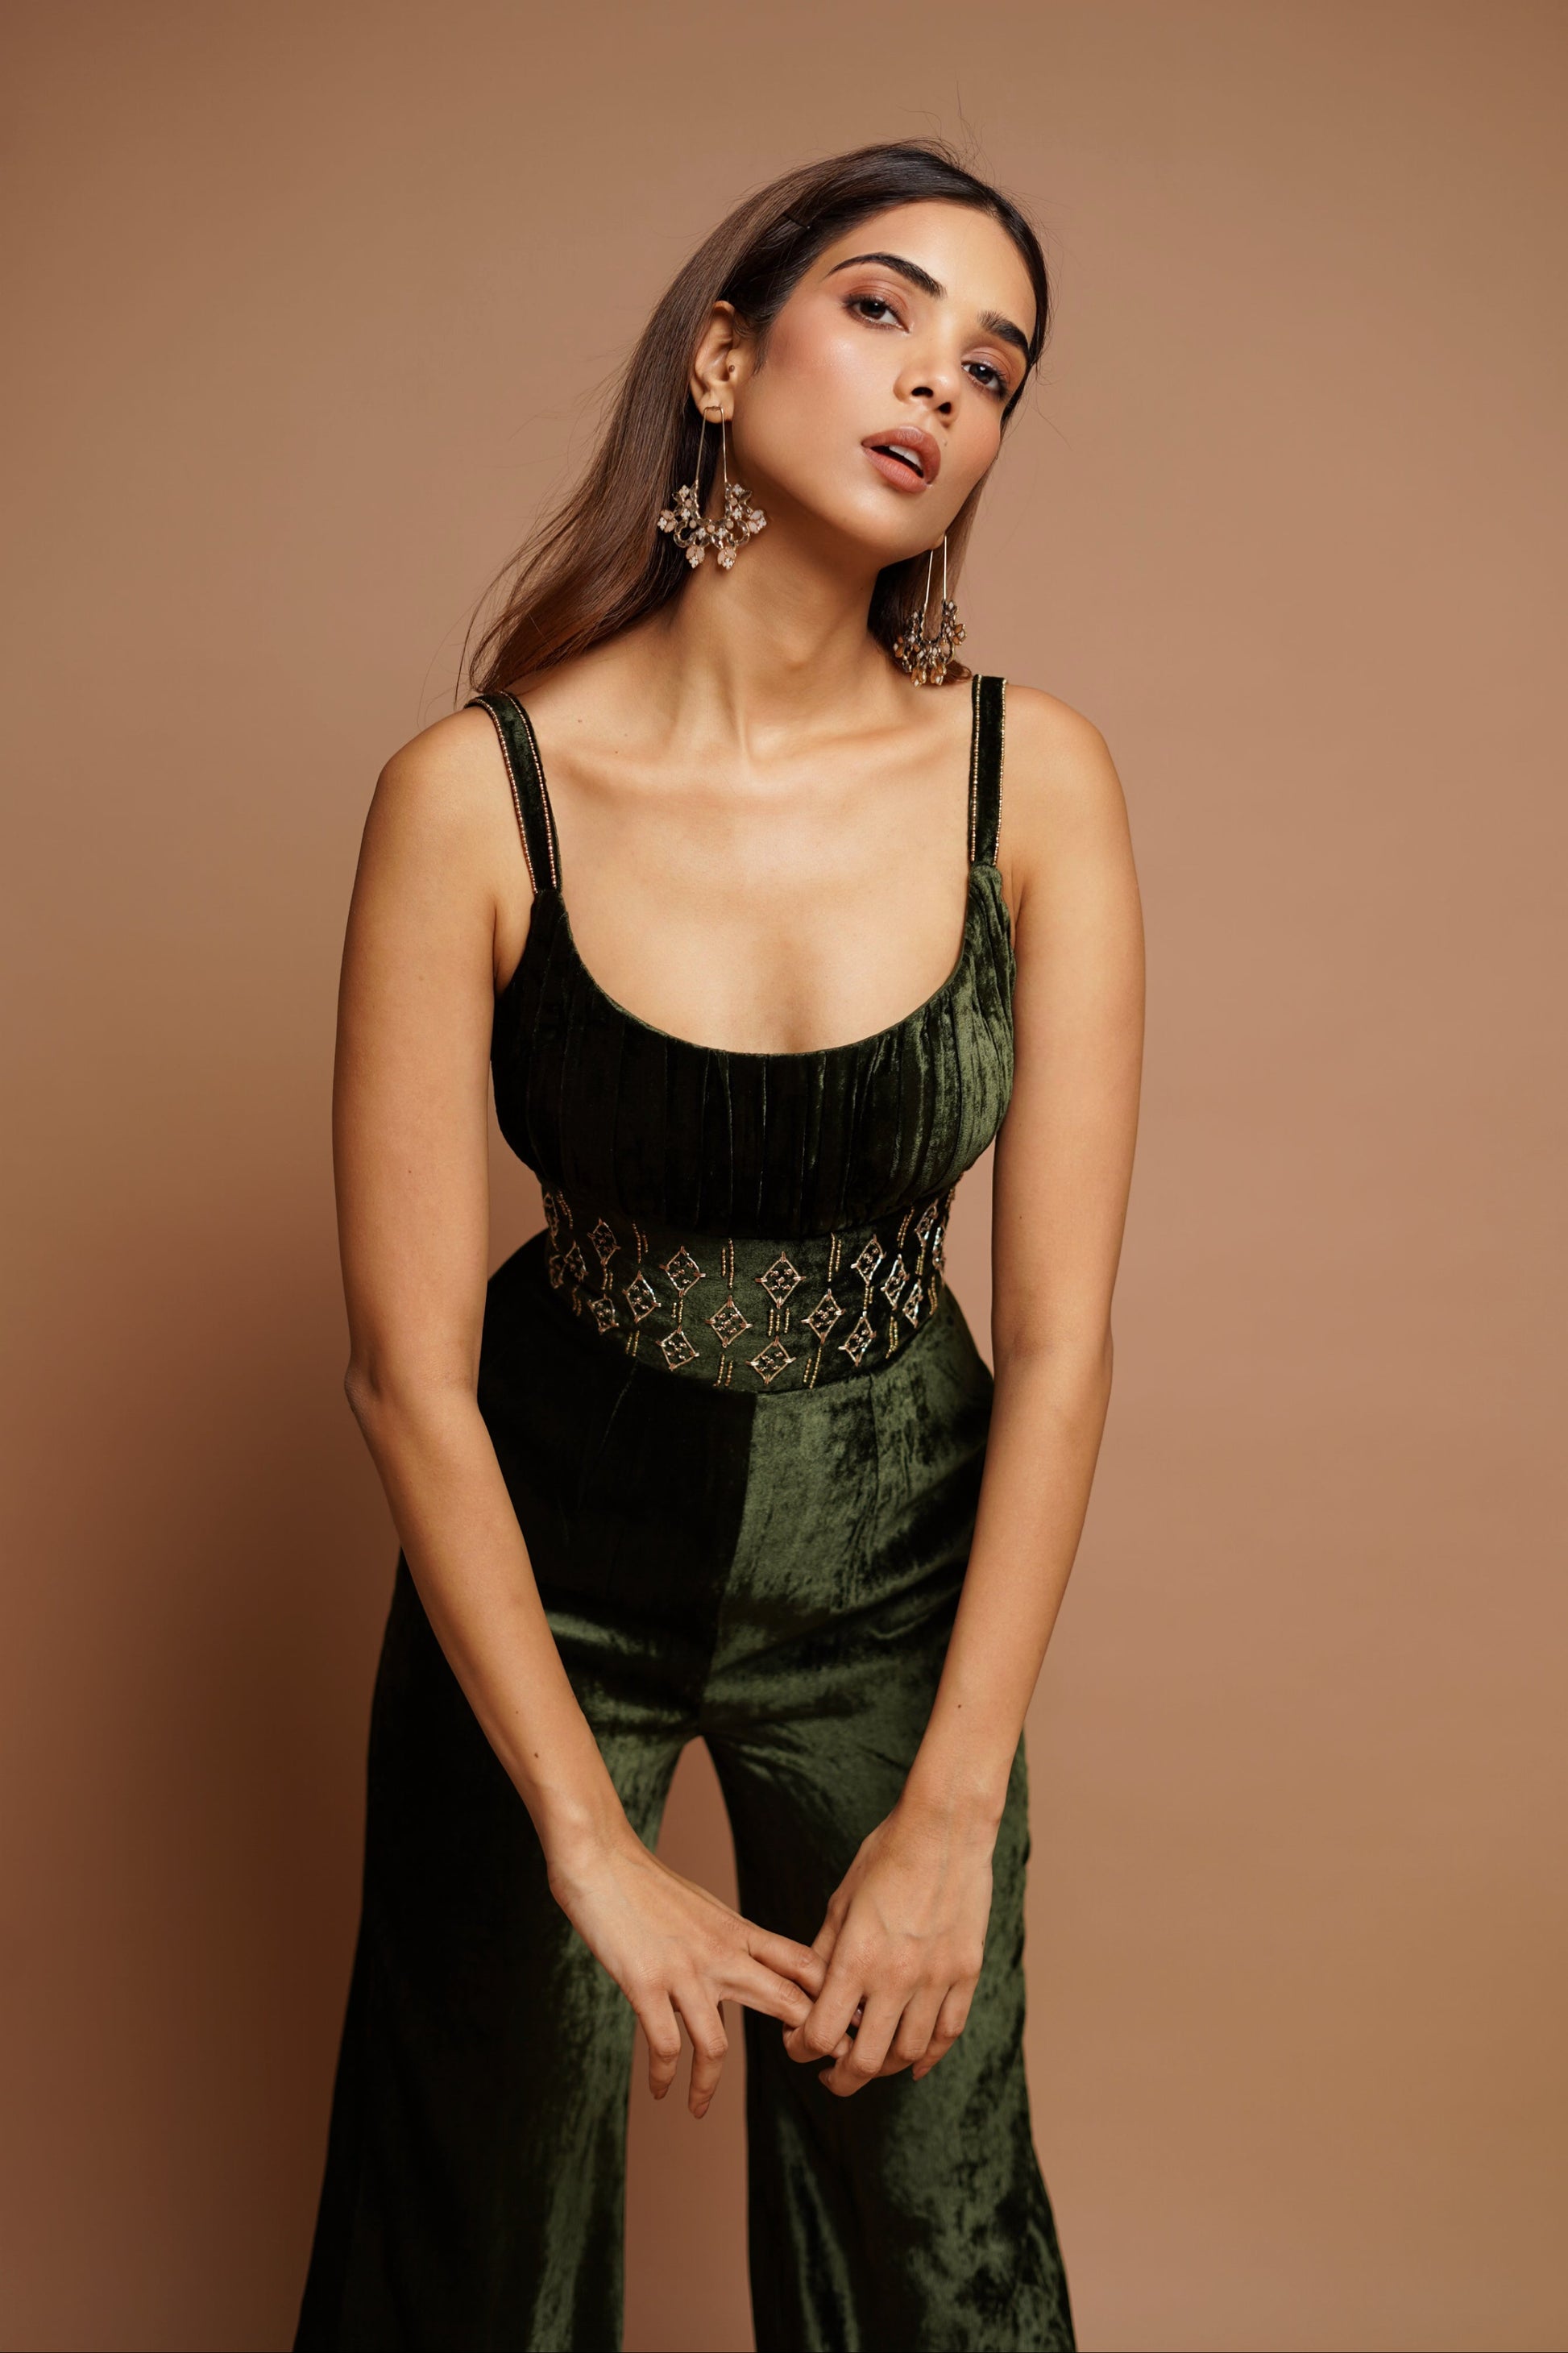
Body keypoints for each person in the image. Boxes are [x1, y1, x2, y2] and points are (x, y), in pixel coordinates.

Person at [294, 138, 1143, 2353]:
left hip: (897, 1582)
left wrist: (952, 1807)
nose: (942, 383)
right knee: (473, 2230)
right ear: (718, 358)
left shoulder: (1033, 781)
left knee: (938, 2242)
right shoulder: (469, 797)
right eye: (882, 309)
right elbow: (405, 1373)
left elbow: (1061, 1344)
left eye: (995, 368)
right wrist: (586, 1845)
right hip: (541, 1568)